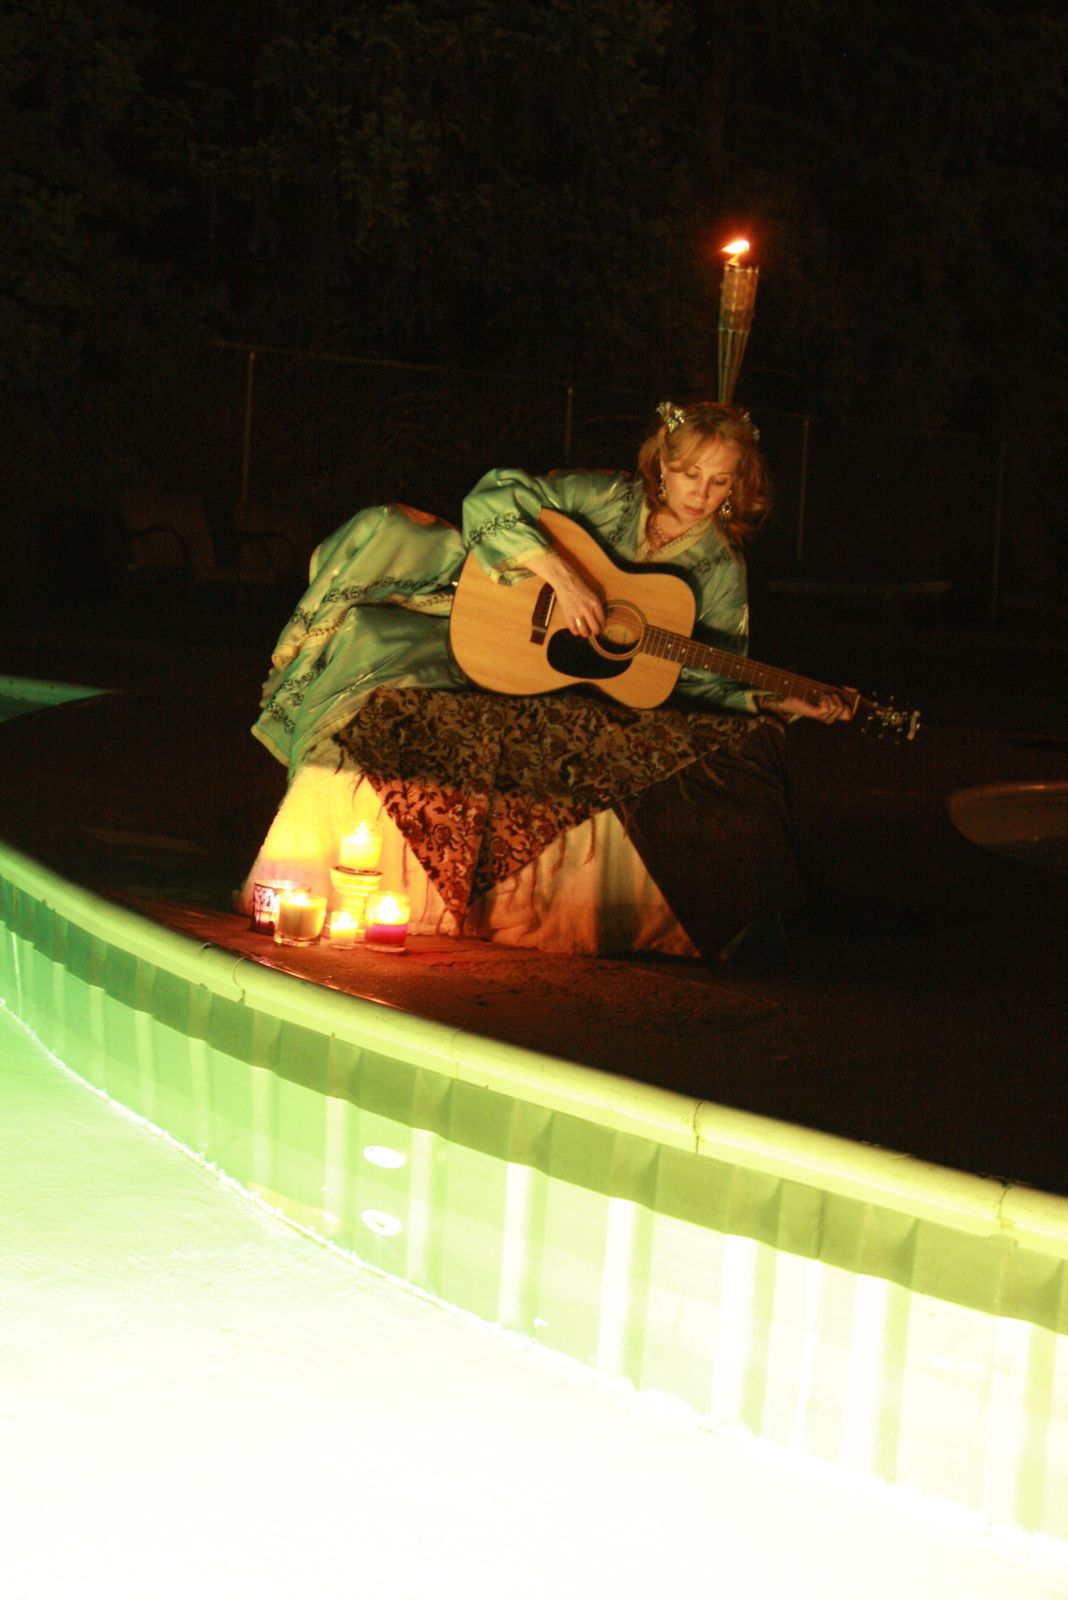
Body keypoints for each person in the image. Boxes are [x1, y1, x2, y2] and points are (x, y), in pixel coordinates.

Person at [251, 400, 850, 964]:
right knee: (378, 599)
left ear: (737, 486)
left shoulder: (720, 565)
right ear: (662, 466)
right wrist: (562, 577)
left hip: (558, 675)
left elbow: (700, 675)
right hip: (505, 620)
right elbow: (493, 496)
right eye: (689, 473)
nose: (701, 493)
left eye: (719, 481)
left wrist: (772, 698)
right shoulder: (608, 499)